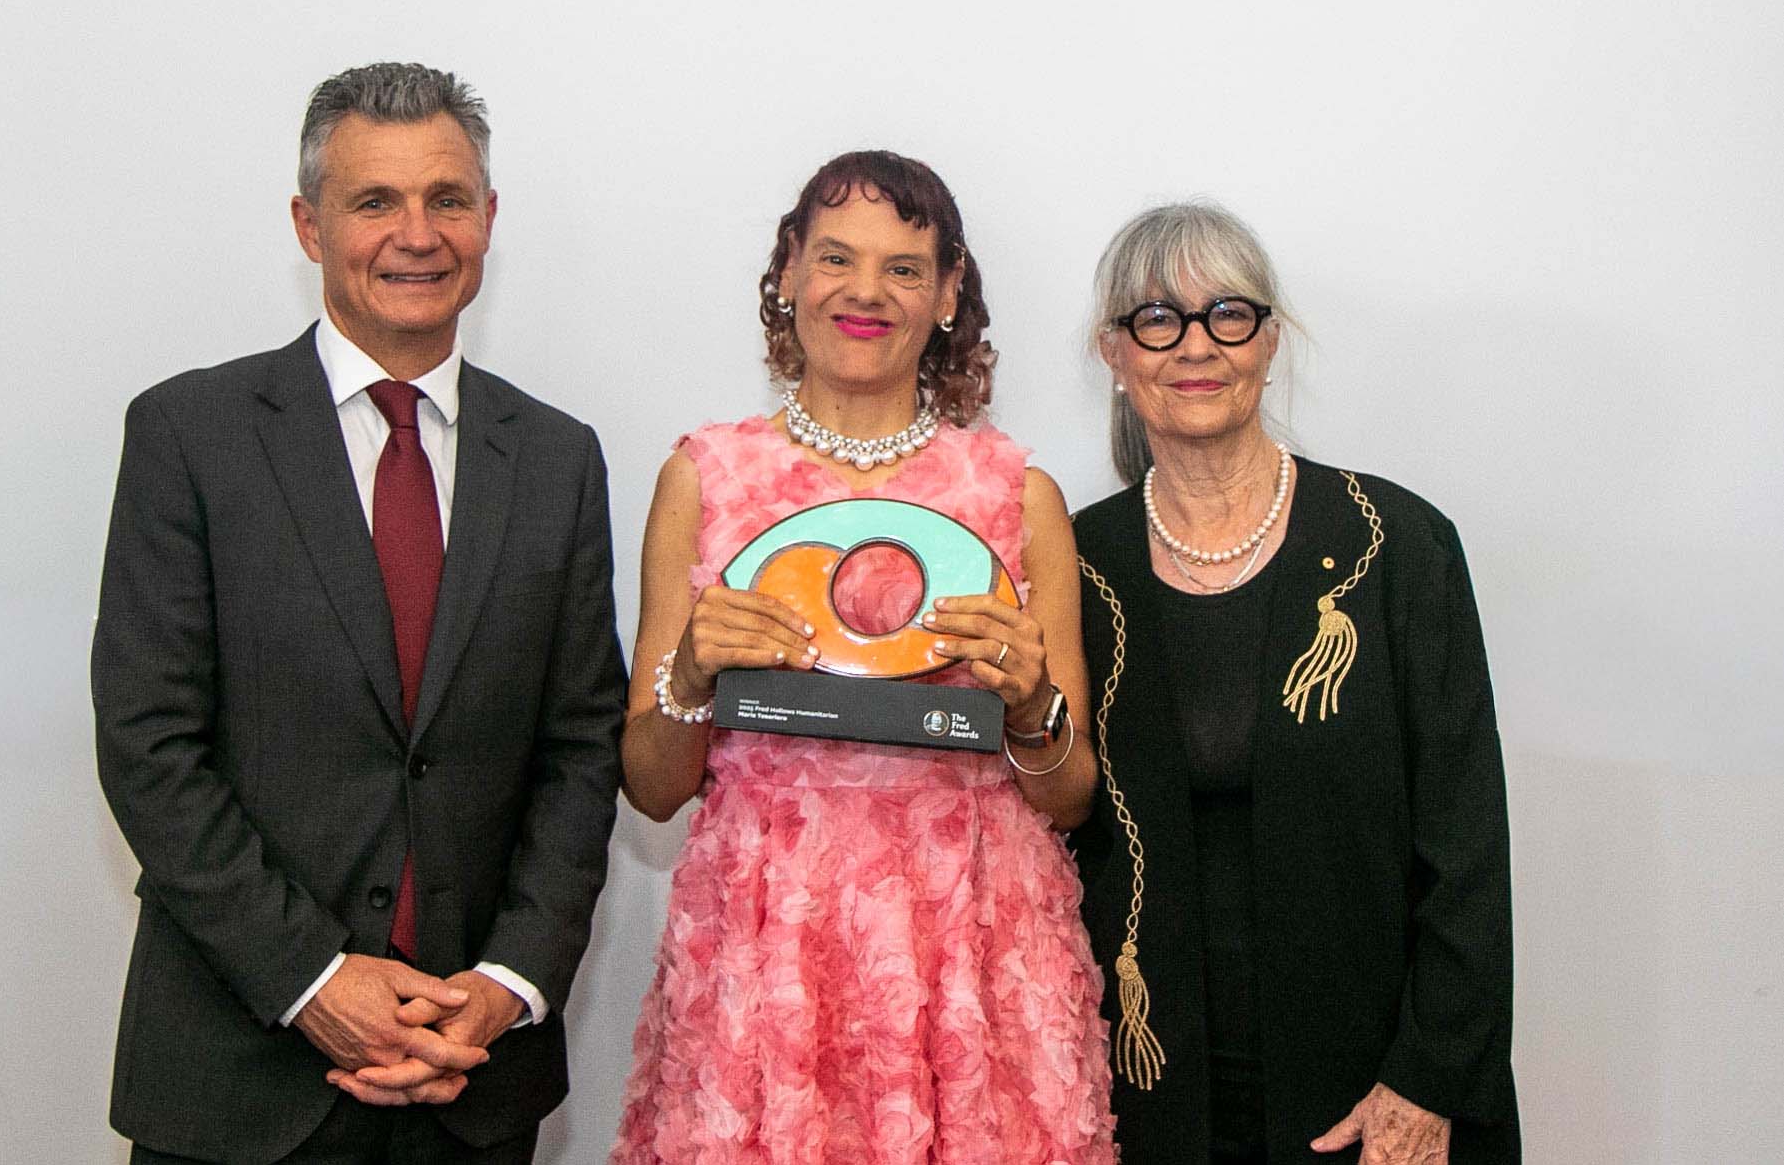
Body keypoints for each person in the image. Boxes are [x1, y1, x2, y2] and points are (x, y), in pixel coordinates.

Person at [92, 62, 627, 1163]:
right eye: (374, 200)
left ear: (488, 217)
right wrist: (312, 978)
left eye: (448, 198)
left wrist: (508, 982)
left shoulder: (560, 459)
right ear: (308, 223)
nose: (417, 233)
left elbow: (580, 749)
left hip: (468, 1074)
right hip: (239, 1076)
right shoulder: (190, 435)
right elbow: (149, 746)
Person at [610, 151, 1117, 1163]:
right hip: (768, 953)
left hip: (971, 949)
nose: (866, 290)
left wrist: (1029, 703)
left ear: (948, 292)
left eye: (904, 265)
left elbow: (1069, 795)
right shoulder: (704, 480)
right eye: (837, 256)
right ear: (789, 269)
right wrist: (691, 675)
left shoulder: (1019, 498)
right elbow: (653, 787)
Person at [1069, 202, 1520, 1164]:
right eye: (1156, 318)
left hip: (1368, 1092)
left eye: (1227, 313)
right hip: (1144, 1091)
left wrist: (1428, 1080)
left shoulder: (1395, 544)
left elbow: (1466, 841)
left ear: (1269, 339)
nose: (1195, 345)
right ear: (1114, 352)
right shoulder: (1073, 563)